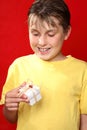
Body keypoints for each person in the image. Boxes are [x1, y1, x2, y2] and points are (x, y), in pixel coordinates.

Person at [0, 0, 87, 130]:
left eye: (50, 34)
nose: (41, 42)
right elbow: (11, 118)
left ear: (67, 32)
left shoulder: (82, 70)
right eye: (35, 34)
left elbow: (84, 121)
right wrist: (9, 106)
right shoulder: (19, 66)